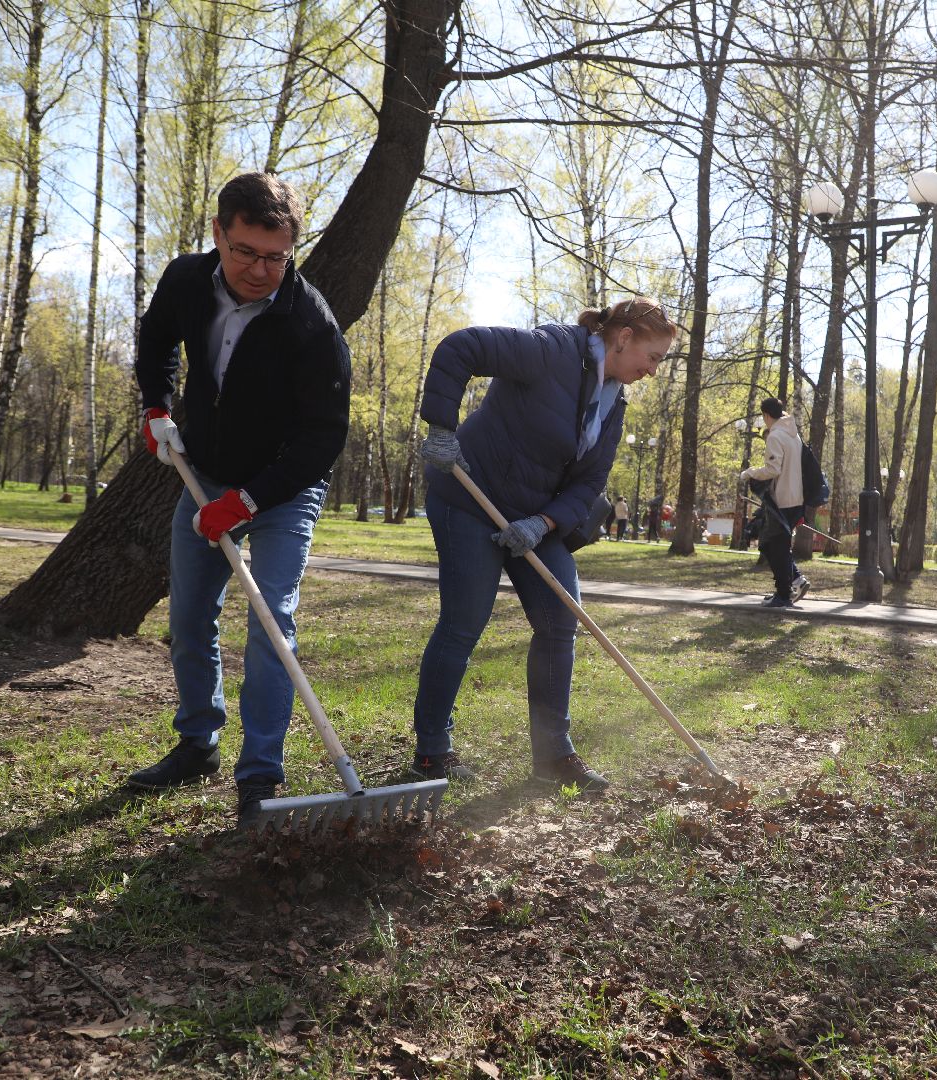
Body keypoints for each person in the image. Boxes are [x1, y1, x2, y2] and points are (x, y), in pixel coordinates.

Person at [128, 172, 350, 825]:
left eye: (276, 256)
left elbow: (323, 440)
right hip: (209, 470)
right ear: (219, 234)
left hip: (285, 486)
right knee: (190, 617)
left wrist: (250, 500)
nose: (261, 270)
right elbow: (155, 338)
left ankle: (260, 780)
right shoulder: (186, 280)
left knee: (270, 623)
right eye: (245, 252)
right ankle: (198, 743)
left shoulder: (312, 326)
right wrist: (156, 405)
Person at [413, 297, 677, 791]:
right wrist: (441, 428)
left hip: (534, 516)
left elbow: (589, 481)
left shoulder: (613, 403)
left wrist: (543, 522)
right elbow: (461, 348)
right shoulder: (551, 350)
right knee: (464, 622)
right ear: (623, 337)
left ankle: (553, 755)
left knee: (562, 619)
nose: (653, 370)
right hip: (469, 498)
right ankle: (432, 752)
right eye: (654, 356)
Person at [741, 398, 810, 608]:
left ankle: (783, 594)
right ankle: (791, 583)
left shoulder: (775, 436)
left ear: (766, 415)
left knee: (771, 545)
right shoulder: (793, 436)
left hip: (781, 501)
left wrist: (750, 473)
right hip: (795, 498)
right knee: (775, 545)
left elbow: (773, 470)